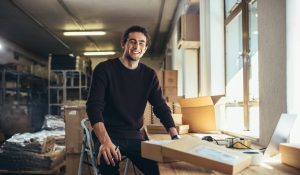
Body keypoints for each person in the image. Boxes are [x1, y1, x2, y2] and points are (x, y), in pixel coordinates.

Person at [86, 25, 179, 175]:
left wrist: (175, 135)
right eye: (132, 41)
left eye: (141, 43)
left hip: (134, 136)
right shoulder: (104, 69)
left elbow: (160, 106)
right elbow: (93, 107)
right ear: (123, 44)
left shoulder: (149, 75)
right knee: (107, 162)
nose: (137, 46)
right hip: (108, 134)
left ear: (146, 47)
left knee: (162, 169)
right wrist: (105, 142)